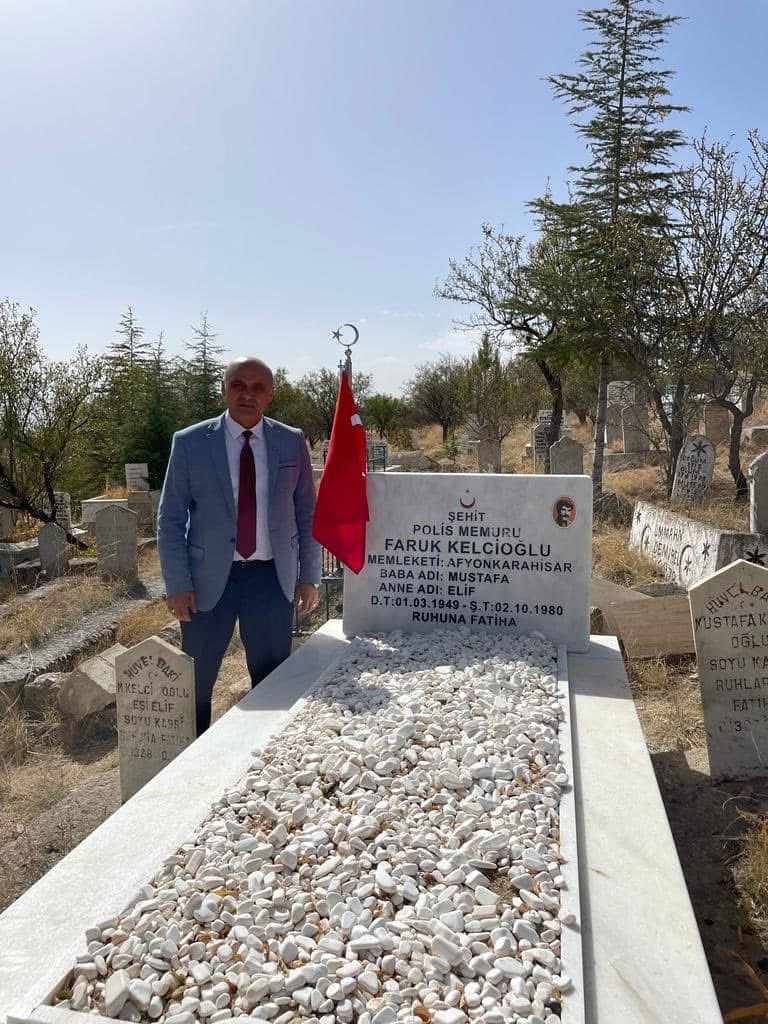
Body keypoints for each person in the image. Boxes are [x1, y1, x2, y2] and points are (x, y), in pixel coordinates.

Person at [157, 356, 322, 734]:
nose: (247, 394)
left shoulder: (290, 441)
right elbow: (169, 519)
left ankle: (263, 755)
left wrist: (309, 576)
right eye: (238, 385)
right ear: (224, 389)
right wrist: (177, 584)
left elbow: (306, 514)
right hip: (205, 582)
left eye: (257, 387)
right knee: (196, 680)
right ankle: (191, 758)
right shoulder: (190, 443)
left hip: (269, 577)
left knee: (271, 678)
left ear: (271, 395)